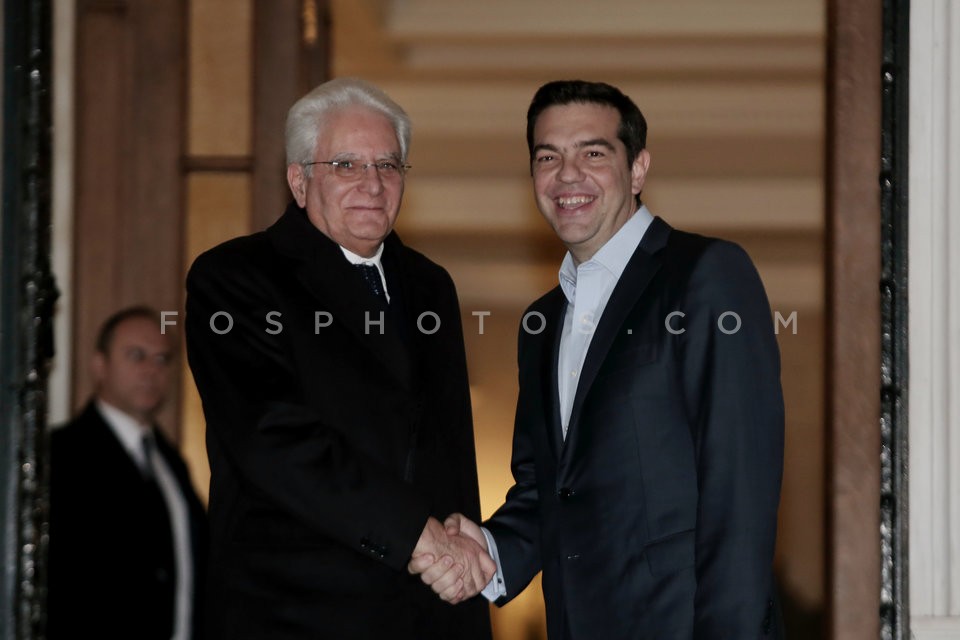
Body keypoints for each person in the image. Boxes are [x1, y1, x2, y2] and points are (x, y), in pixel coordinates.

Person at [410, 80, 785, 639]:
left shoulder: (704, 275)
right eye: (547, 157)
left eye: (593, 153)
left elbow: (740, 493)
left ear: (637, 170)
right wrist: (487, 548)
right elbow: (550, 492)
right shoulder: (541, 323)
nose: (567, 175)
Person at [184, 77, 493, 639]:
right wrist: (415, 535)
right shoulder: (235, 278)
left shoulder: (430, 286)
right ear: (299, 181)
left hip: (426, 611)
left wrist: (460, 564)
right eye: (346, 165)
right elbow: (273, 437)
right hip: (292, 615)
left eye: (389, 165)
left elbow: (450, 455)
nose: (372, 184)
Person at [48, 306, 208, 640]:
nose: (151, 370)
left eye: (163, 359)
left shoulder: (170, 463)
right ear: (100, 366)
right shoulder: (62, 455)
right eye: (137, 356)